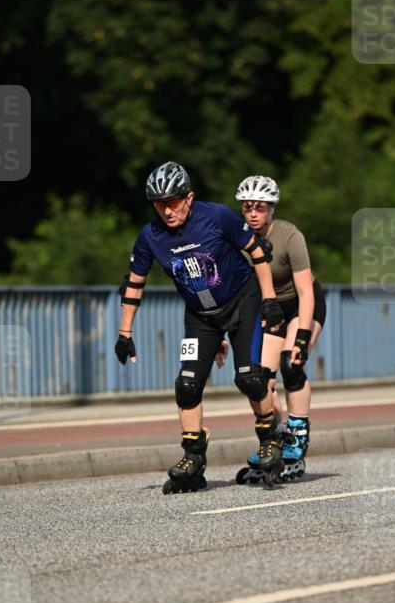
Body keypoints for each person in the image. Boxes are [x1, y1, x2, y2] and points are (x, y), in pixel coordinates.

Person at [114, 161, 286, 492]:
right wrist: (125, 334)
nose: (167, 211)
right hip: (201, 315)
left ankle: (270, 439)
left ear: (189, 197)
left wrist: (270, 300)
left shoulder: (217, 216)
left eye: (173, 202)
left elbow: (258, 253)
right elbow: (134, 284)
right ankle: (193, 455)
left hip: (243, 301)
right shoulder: (150, 236)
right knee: (187, 385)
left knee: (250, 378)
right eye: (159, 204)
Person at [230, 175, 326, 482]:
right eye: (247, 207)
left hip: (301, 304)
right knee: (260, 380)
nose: (253, 213)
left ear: (272, 208)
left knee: (291, 364)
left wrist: (301, 338)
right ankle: (273, 440)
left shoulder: (289, 236)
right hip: (268, 309)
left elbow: (306, 291)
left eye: (260, 207)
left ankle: (297, 436)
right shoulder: (238, 241)